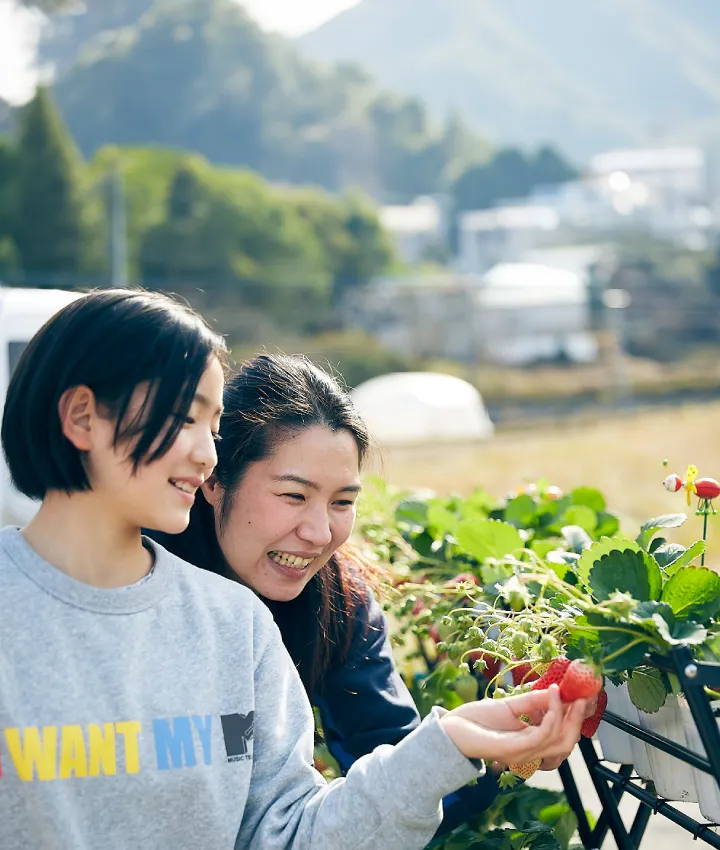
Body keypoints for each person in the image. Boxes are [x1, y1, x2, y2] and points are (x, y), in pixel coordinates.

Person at [0, 291, 588, 850]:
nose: (206, 452)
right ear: (81, 416)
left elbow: (288, 834)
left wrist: (455, 747)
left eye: (213, 426)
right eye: (186, 419)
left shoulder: (237, 627)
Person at [151, 353, 582, 835]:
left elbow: (392, 773)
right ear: (214, 481)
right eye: (293, 495)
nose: (318, 533)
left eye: (342, 502)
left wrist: (489, 752)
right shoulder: (137, 580)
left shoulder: (340, 604)